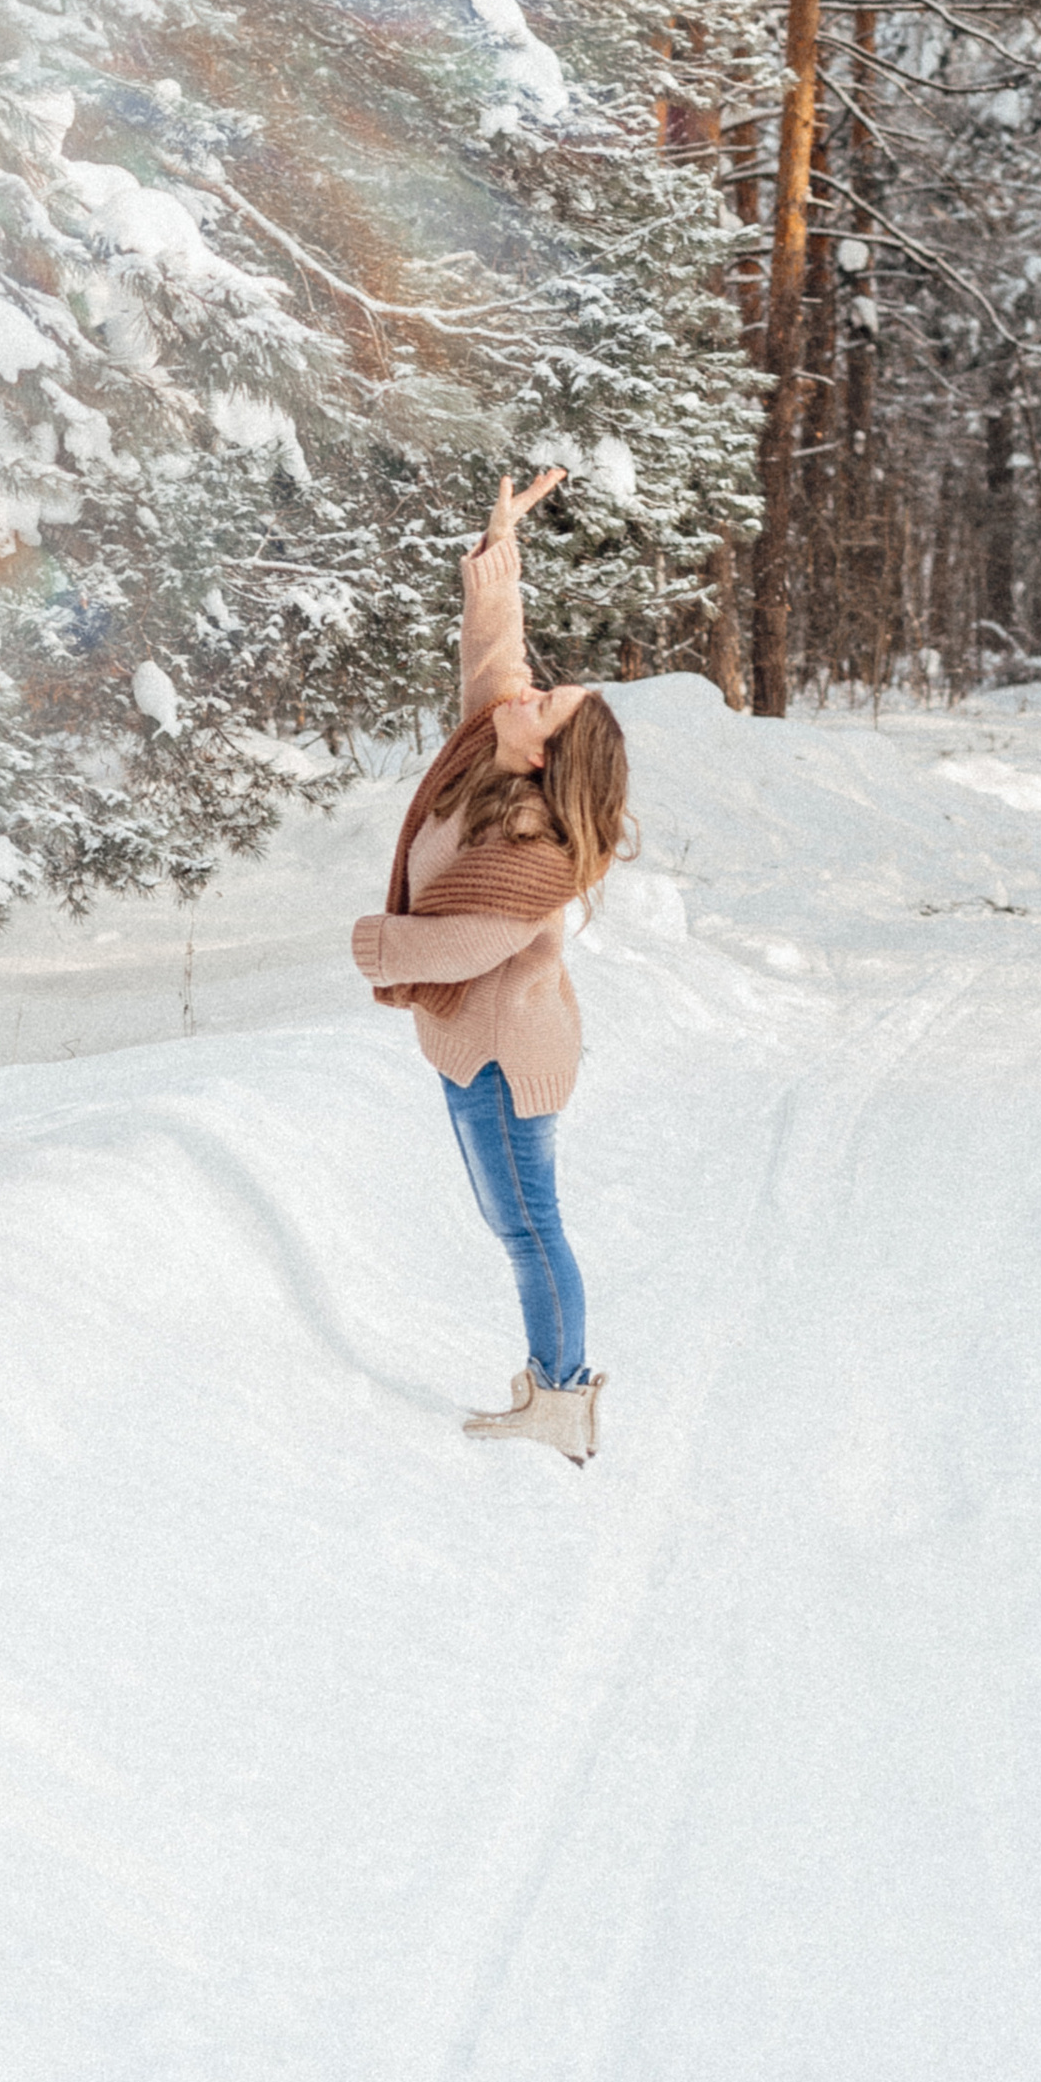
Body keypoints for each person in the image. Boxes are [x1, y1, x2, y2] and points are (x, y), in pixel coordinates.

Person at [349, 467, 632, 1466]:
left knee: (526, 1228)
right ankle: (553, 1378)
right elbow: (493, 650)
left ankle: (561, 1395)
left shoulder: (536, 849)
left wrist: (377, 948)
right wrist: (500, 541)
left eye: (546, 704)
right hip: (482, 1042)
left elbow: (473, 943)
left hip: (507, 1052)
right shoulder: (490, 754)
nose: (531, 692)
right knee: (510, 1219)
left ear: (548, 755)